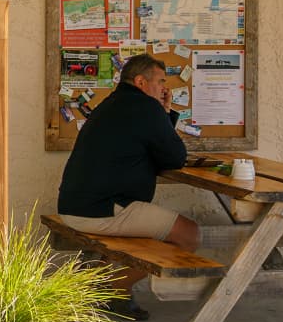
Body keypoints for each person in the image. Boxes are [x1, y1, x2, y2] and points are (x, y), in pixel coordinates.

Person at [56, 54, 199, 248]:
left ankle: (109, 278)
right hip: (103, 209)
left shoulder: (110, 104)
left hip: (73, 207)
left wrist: (163, 112)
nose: (164, 89)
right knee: (189, 233)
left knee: (145, 241)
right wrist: (162, 111)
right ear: (140, 81)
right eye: (160, 81)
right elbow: (175, 158)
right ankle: (117, 280)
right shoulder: (147, 107)